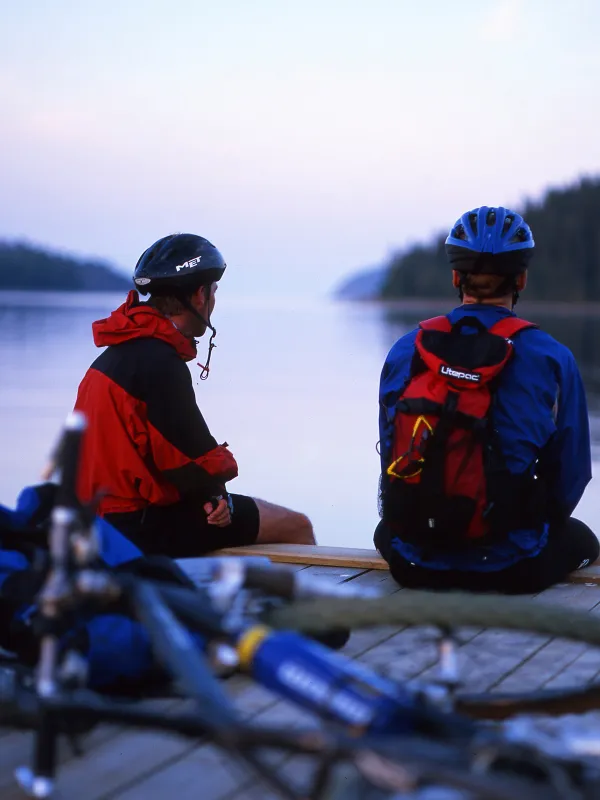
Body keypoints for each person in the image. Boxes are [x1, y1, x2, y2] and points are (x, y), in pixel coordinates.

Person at [374, 206, 599, 594]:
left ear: (455, 276)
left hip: (413, 565)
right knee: (585, 540)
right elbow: (571, 477)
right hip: (511, 570)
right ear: (522, 280)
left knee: (384, 532)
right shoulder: (551, 356)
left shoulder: (405, 350)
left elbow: (390, 459)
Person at [73, 233, 315, 557]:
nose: (214, 300)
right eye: (214, 291)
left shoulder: (114, 356)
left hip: (91, 521)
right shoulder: (159, 363)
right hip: (133, 528)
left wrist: (210, 492)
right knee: (296, 526)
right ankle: (313, 605)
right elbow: (194, 461)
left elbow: (161, 453)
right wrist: (216, 496)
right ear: (200, 296)